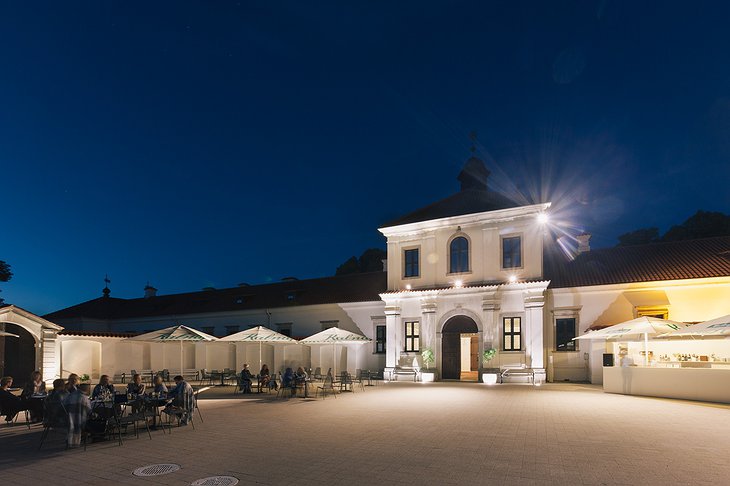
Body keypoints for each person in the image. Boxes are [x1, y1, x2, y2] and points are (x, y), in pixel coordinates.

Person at [62, 375, 91, 447]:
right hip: (72, 414)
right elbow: (89, 409)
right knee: (89, 414)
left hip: (69, 413)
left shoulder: (76, 388)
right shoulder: (69, 388)